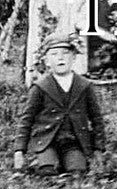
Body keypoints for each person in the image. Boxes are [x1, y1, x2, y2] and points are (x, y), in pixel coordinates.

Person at [14, 34, 106, 176]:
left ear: (74, 57)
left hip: (74, 142)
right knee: (47, 171)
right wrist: (19, 150)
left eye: (65, 53)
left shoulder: (84, 86)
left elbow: (97, 119)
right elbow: (26, 119)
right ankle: (41, 161)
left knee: (77, 172)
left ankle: (71, 163)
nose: (60, 58)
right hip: (46, 141)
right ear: (47, 61)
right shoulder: (40, 87)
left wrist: (98, 149)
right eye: (54, 54)